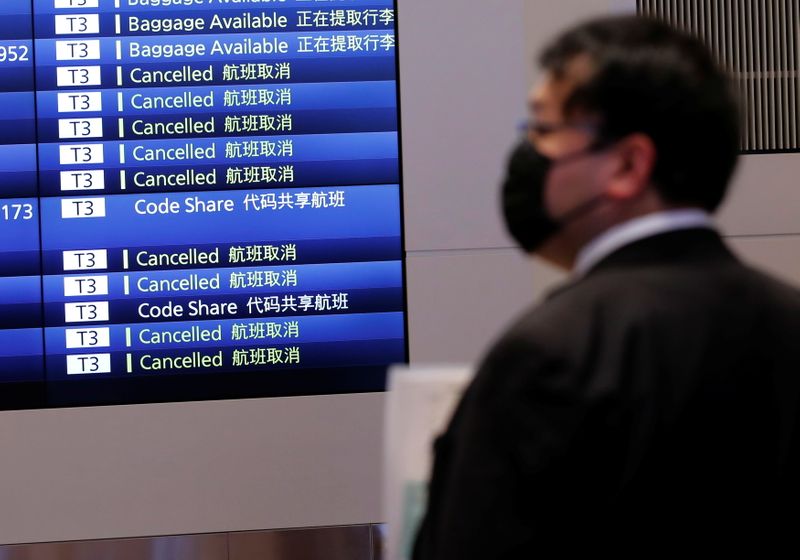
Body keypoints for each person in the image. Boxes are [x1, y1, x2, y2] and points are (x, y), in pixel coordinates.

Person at [413, 14, 800, 557]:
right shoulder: (789, 321)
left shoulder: (552, 352)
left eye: (544, 131)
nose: (528, 156)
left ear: (627, 164)